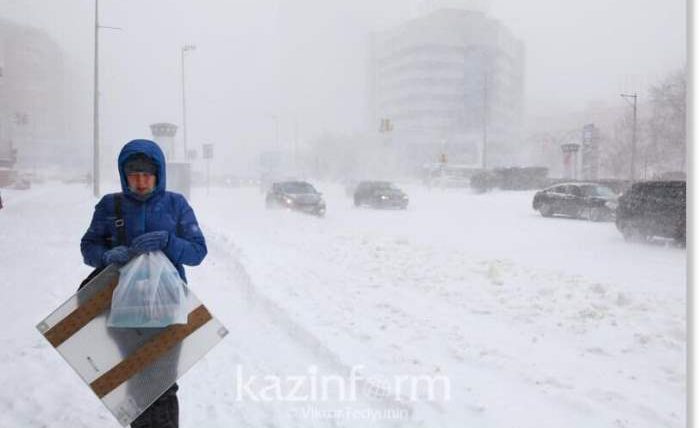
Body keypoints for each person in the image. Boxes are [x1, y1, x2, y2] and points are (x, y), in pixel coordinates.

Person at [81, 139, 207, 428]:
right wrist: (107, 255)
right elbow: (88, 247)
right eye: (133, 175)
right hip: (123, 311)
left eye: (146, 175)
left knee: (164, 384)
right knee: (136, 380)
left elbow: (198, 252)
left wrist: (168, 241)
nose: (139, 181)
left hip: (168, 308)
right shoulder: (110, 206)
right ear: (124, 175)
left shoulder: (176, 205)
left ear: (159, 173)